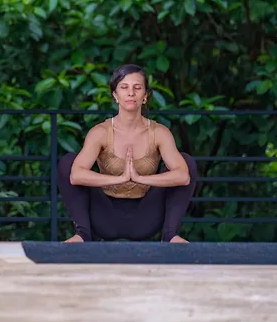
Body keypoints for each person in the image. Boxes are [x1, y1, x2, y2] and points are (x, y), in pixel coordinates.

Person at [57, 64, 197, 243]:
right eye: (124, 87)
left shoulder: (160, 133)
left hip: (145, 217)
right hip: (104, 217)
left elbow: (183, 176)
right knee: (68, 162)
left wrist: (139, 178)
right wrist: (121, 178)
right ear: (115, 95)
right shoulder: (100, 132)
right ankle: (82, 234)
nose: (131, 93)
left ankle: (170, 235)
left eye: (137, 87)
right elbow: (76, 175)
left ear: (145, 96)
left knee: (186, 162)